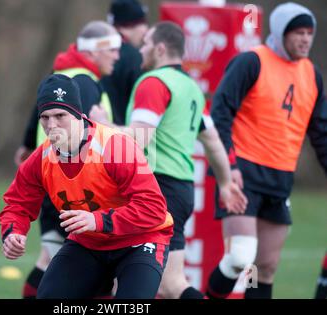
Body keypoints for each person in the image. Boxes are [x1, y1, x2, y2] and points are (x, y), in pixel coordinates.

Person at [90, 21, 247, 299]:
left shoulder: (153, 83)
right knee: (171, 283)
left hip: (154, 189)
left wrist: (101, 124)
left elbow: (138, 138)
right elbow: (211, 140)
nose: (141, 50)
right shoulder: (191, 87)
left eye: (147, 44)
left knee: (134, 280)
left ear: (160, 49)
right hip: (182, 190)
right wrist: (224, 183)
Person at [0, 74, 174, 299]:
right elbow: (17, 203)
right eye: (45, 117)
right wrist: (14, 232)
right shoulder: (40, 158)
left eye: (60, 115)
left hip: (140, 239)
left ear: (78, 115)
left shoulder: (116, 147)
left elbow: (153, 209)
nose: (51, 126)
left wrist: (98, 220)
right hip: (90, 242)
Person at [207, 2, 327, 299]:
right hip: (243, 171)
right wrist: (228, 165)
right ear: (281, 32)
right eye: (298, 32)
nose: (305, 39)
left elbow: (321, 132)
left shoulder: (312, 75)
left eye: (309, 33)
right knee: (239, 259)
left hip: (281, 178)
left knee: (264, 267)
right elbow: (220, 112)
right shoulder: (252, 61)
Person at [16, 21, 121, 299]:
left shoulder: (63, 72)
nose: (117, 56)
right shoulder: (83, 82)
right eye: (112, 49)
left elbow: (38, 108)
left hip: (55, 181)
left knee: (52, 260)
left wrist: (28, 142)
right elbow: (83, 135)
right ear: (95, 51)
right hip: (71, 185)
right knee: (89, 266)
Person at [101, 0, 148, 125]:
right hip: (121, 136)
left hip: (89, 135)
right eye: (142, 23)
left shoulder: (95, 52)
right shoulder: (134, 57)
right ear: (128, 25)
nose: (145, 30)